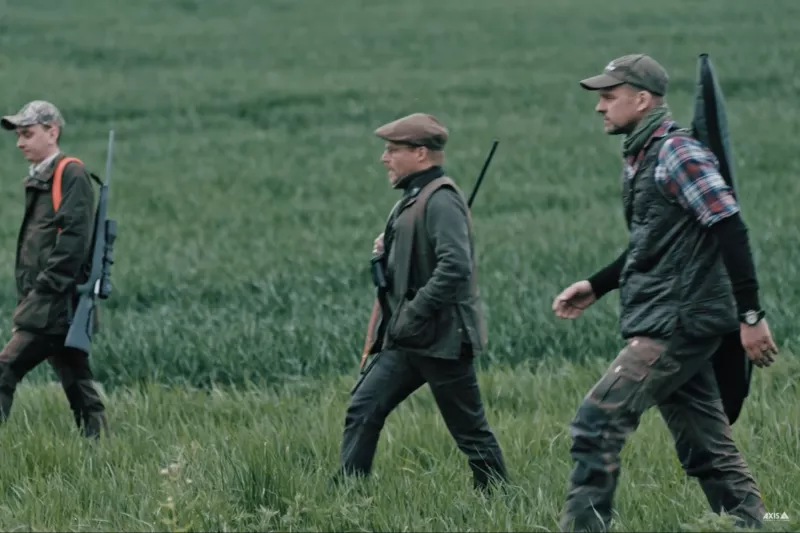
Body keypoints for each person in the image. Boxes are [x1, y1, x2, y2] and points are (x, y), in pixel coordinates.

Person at [552, 55, 775, 531]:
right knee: (706, 448)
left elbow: (729, 226)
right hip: (666, 316)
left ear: (642, 100)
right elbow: (654, 242)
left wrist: (751, 316)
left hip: (678, 322)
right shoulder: (641, 155)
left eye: (609, 97)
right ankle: (755, 522)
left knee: (596, 422)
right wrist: (597, 285)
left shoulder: (678, 152)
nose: (599, 107)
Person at [333, 112, 508, 491]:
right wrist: (390, 248)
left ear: (421, 153)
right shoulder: (413, 199)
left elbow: (455, 266)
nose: (384, 158)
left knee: (470, 432)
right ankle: (348, 495)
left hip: (442, 341)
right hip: (409, 338)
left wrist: (414, 312)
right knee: (363, 408)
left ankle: (501, 498)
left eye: (392, 150)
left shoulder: (441, 200)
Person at [0, 100, 109, 439]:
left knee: (4, 368)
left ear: (52, 132)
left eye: (27, 134)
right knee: (76, 377)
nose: (20, 143)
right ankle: (101, 448)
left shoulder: (70, 173)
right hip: (52, 299)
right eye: (19, 135)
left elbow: (74, 241)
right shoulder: (43, 177)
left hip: (54, 301)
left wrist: (43, 290)